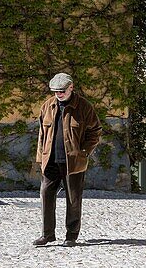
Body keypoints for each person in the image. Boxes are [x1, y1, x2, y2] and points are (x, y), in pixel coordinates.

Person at [33, 72, 102, 247]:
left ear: (71, 87)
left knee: (73, 199)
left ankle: (71, 235)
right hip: (50, 161)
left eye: (62, 90)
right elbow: (42, 133)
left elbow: (95, 131)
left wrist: (84, 152)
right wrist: (41, 157)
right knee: (46, 195)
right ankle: (47, 234)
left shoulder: (84, 107)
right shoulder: (47, 106)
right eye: (55, 91)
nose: (59, 94)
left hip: (73, 162)